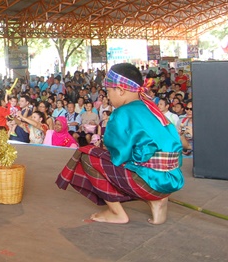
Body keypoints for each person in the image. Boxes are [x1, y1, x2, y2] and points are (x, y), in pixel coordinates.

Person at [56, 63, 184, 225]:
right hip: (171, 180)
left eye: (109, 91)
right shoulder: (153, 109)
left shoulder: (122, 113)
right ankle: (158, 201)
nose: (108, 96)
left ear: (121, 90)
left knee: (86, 155)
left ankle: (116, 212)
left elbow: (118, 156)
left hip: (147, 184)